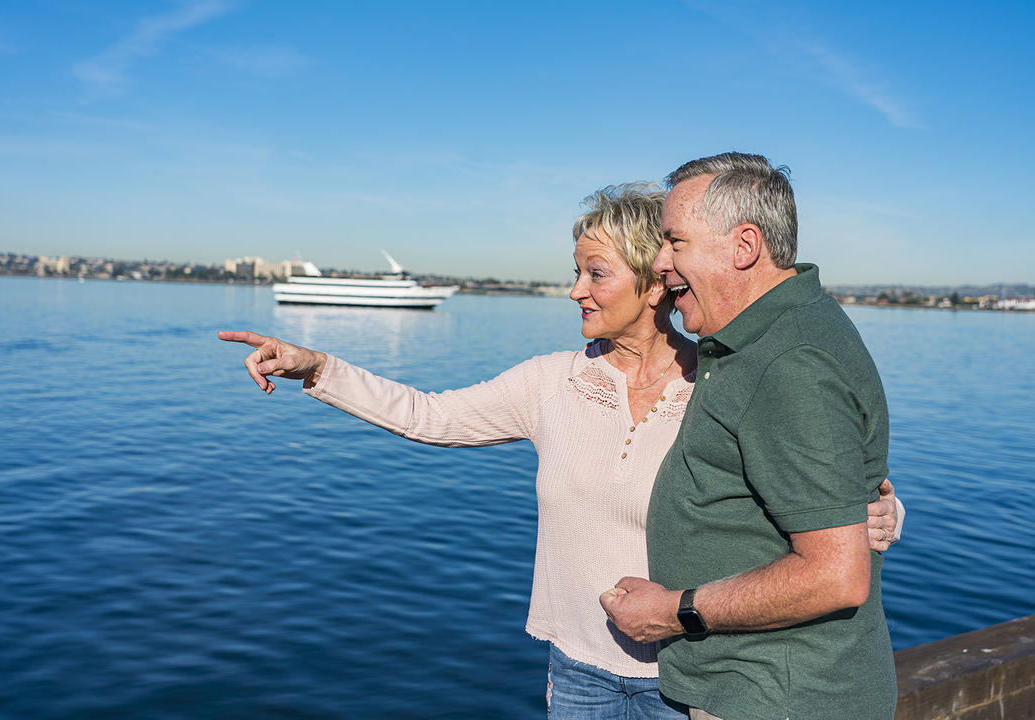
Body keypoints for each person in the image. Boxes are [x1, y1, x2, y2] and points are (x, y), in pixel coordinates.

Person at [220, 182, 903, 720]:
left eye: (595, 273)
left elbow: (816, 489)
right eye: (575, 271)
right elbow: (430, 416)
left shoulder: (723, 383)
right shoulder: (552, 383)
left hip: (692, 680)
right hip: (577, 676)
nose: (575, 290)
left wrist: (880, 513)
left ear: (654, 281)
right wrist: (318, 368)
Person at [601, 154, 899, 720]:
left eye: (675, 242)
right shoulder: (761, 339)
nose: (660, 263)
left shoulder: (789, 361)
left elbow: (835, 574)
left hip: (779, 700)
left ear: (744, 247)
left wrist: (675, 611)